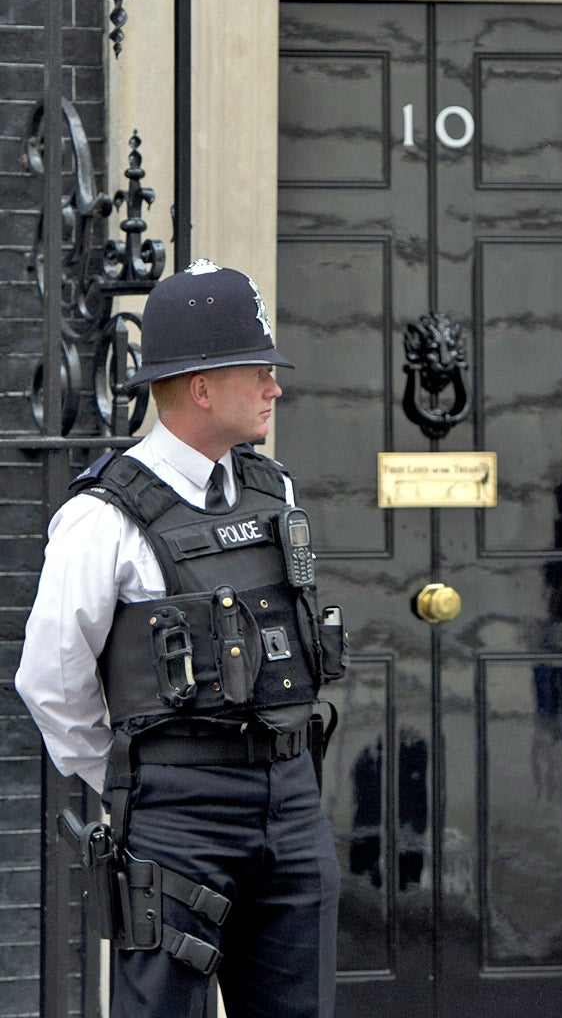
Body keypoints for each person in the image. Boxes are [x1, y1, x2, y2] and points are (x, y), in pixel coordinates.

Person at [15, 259, 348, 1018]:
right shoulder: (105, 517)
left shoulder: (275, 490)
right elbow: (50, 681)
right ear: (202, 386)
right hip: (177, 814)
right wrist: (136, 781)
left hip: (292, 798)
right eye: (259, 370)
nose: (276, 387)